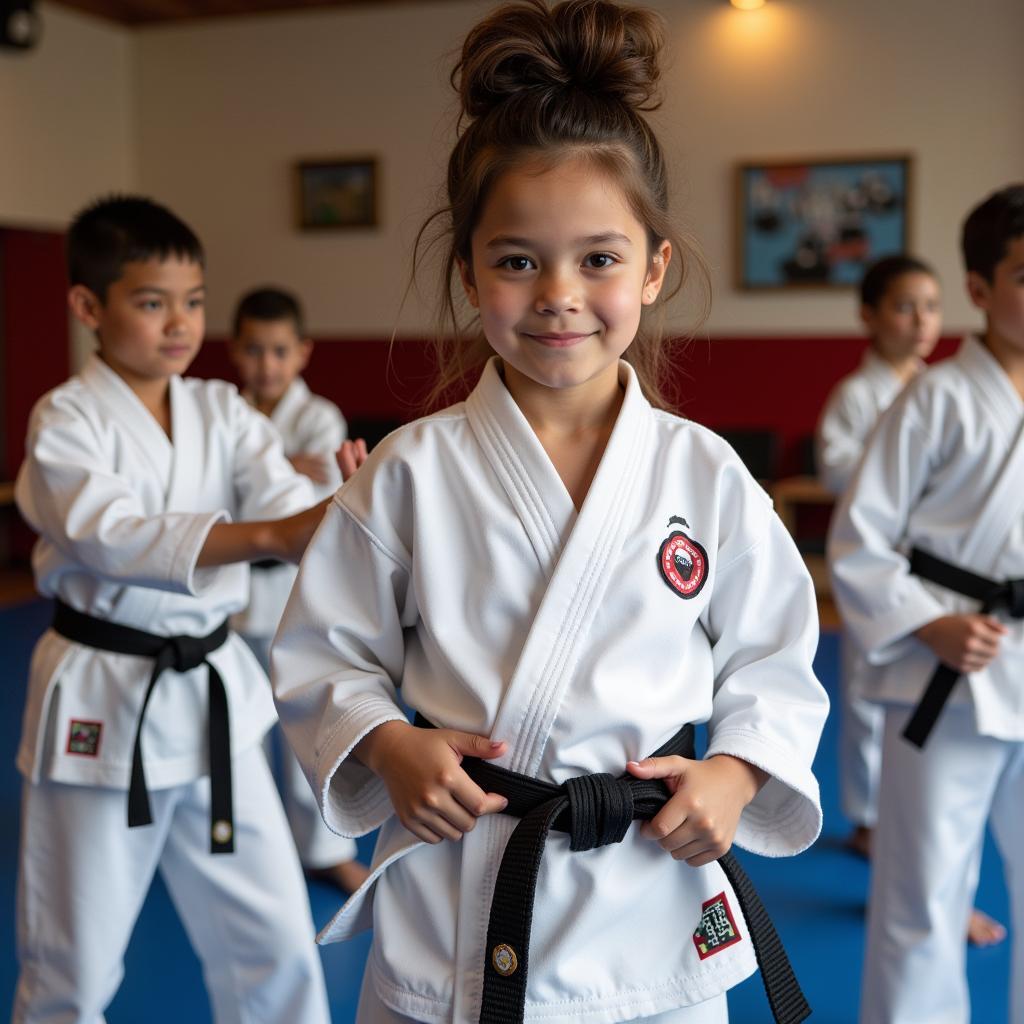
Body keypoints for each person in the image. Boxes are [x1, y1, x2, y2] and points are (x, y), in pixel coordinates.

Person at [272, 3, 829, 1023]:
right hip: (466, 883)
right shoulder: (407, 471)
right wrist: (390, 747)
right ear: (469, 272)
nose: (559, 295)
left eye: (599, 259)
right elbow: (321, 654)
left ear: (653, 268)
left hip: (650, 895)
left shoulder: (703, 474)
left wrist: (738, 772)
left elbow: (775, 656)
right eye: (518, 259)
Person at [11, 196, 340, 1024]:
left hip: (213, 698)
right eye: (152, 303)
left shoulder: (223, 411)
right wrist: (276, 528)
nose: (179, 324)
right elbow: (109, 536)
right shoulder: (66, 421)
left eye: (192, 303)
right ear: (89, 307)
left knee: (278, 941)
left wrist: (343, 496)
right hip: (103, 697)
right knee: (74, 965)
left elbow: (285, 499)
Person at [829, 182, 1024, 1023]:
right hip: (952, 671)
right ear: (980, 290)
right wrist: (930, 623)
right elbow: (859, 539)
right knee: (924, 895)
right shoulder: (936, 398)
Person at [229, 285, 369, 894]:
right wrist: (286, 466)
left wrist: (277, 469)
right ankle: (256, 842)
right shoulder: (225, 413)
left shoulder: (319, 418)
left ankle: (320, 850)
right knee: (245, 732)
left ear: (302, 353)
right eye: (254, 350)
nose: (266, 365)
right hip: (233, 598)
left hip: (290, 590)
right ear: (236, 352)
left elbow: (309, 501)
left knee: (301, 731)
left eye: (278, 351)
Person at [816, 255, 941, 858]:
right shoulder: (857, 394)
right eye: (904, 305)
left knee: (925, 687)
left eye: (931, 307)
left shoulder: (939, 390)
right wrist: (895, 464)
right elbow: (835, 468)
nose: (921, 321)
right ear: (869, 315)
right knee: (867, 689)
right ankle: (866, 815)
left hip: (935, 567)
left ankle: (912, 804)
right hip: (875, 556)